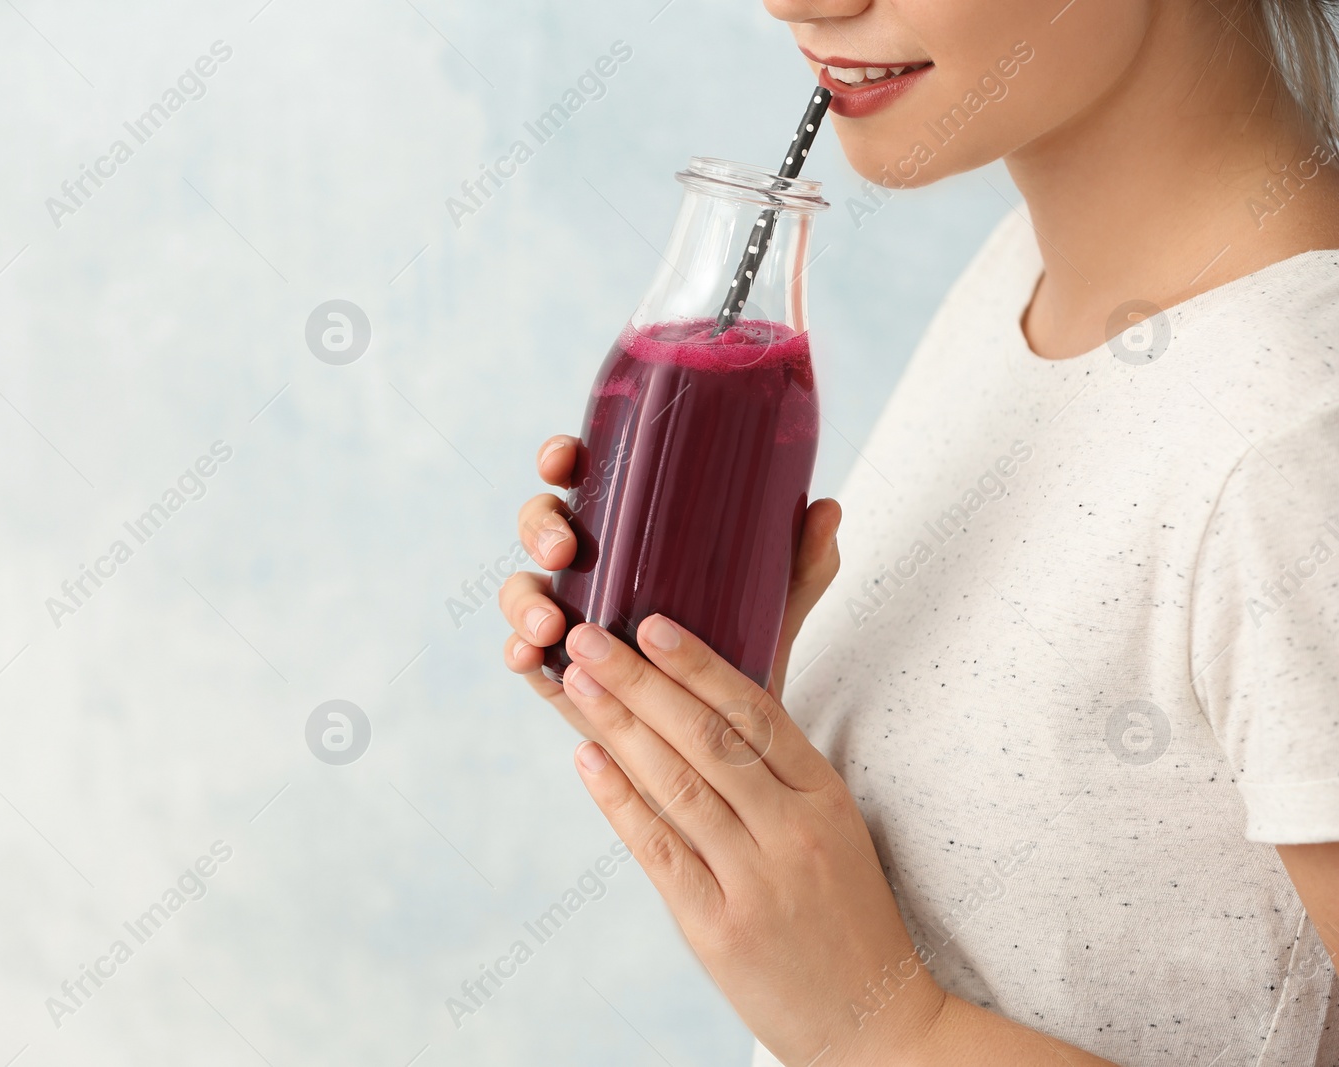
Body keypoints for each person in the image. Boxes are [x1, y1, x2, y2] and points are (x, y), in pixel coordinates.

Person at [498, 0, 1339, 1063]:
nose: (797, 1)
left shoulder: (1299, 438)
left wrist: (885, 1024)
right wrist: (696, 689)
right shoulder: (1019, 277)